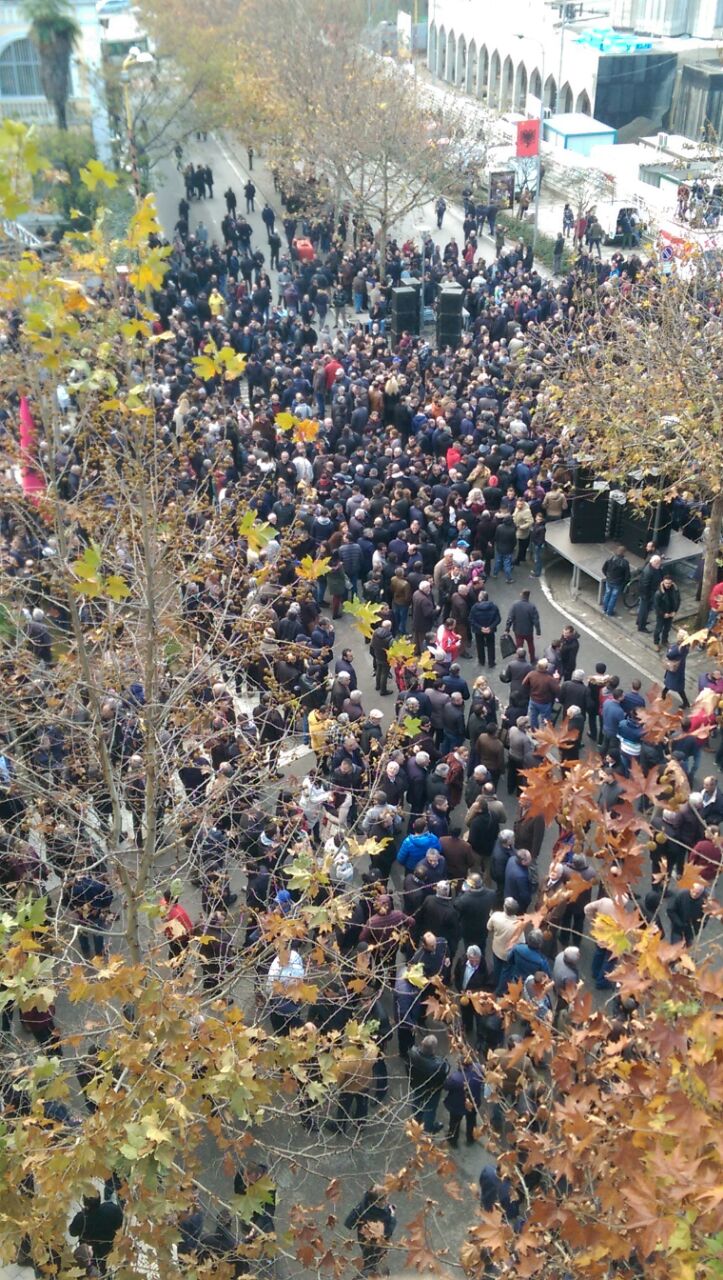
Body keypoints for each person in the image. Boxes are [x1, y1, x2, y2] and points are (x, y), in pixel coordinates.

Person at [345, 1186, 396, 1275]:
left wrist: (358, 1209)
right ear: (376, 1201)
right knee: (373, 1268)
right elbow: (388, 1232)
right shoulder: (381, 1213)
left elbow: (349, 1224)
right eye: (384, 1200)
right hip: (373, 1244)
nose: (386, 1202)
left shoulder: (363, 1207)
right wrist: (392, 1216)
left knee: (373, 1267)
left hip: (368, 1244)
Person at [69, 1194, 123, 1276]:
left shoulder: (80, 1219)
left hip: (88, 1250)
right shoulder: (111, 1209)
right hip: (108, 1246)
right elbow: (119, 1224)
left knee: (88, 1270)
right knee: (105, 1265)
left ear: (84, 1202)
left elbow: (72, 1233)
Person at [408, 1034, 450, 1133]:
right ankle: (428, 1128)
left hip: (417, 1084)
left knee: (416, 1101)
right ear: (434, 1049)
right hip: (432, 1090)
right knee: (430, 1109)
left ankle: (417, 1119)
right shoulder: (439, 1065)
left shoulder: (412, 1053)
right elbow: (444, 1074)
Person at [443, 1053, 483, 1147]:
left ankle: (453, 1140)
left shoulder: (455, 1078)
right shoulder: (478, 1069)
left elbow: (446, 1086)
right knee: (472, 1121)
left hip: (457, 1105)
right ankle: (471, 1138)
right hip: (473, 1102)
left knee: (454, 1123)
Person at [636, 553, 663, 633]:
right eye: (658, 563)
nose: (659, 564)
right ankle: (641, 626)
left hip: (648, 593)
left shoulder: (652, 568)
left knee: (643, 609)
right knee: (644, 610)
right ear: (653, 562)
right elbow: (645, 585)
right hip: (647, 595)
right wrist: (647, 596)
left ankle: (639, 622)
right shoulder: (649, 572)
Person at [601, 546, 631, 617]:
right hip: (618, 583)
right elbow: (627, 576)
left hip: (609, 580)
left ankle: (604, 608)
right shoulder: (625, 563)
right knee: (613, 597)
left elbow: (604, 569)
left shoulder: (610, 558)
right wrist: (625, 582)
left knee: (607, 594)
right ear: (624, 553)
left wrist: (607, 576)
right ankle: (609, 612)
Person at [653, 574, 681, 650]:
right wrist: (663, 614)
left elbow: (678, 600)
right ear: (663, 582)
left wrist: (675, 611)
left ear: (671, 583)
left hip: (671, 612)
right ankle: (656, 642)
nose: (667, 585)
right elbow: (656, 605)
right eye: (666, 583)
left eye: (669, 583)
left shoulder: (675, 590)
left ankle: (664, 641)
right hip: (662, 614)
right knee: (658, 629)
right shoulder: (659, 593)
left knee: (667, 628)